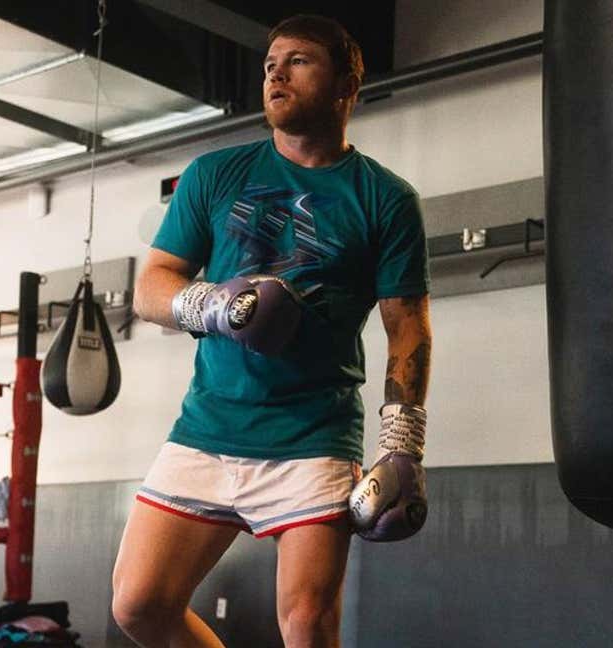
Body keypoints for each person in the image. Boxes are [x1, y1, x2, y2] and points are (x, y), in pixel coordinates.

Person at [111, 14, 432, 648]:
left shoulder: (385, 198)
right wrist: (214, 304)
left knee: (308, 624)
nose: (275, 74)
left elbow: (407, 326)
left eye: (299, 61)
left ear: (346, 84)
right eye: (269, 65)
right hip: (207, 429)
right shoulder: (213, 175)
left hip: (312, 437)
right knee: (139, 606)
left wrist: (403, 445)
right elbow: (153, 287)